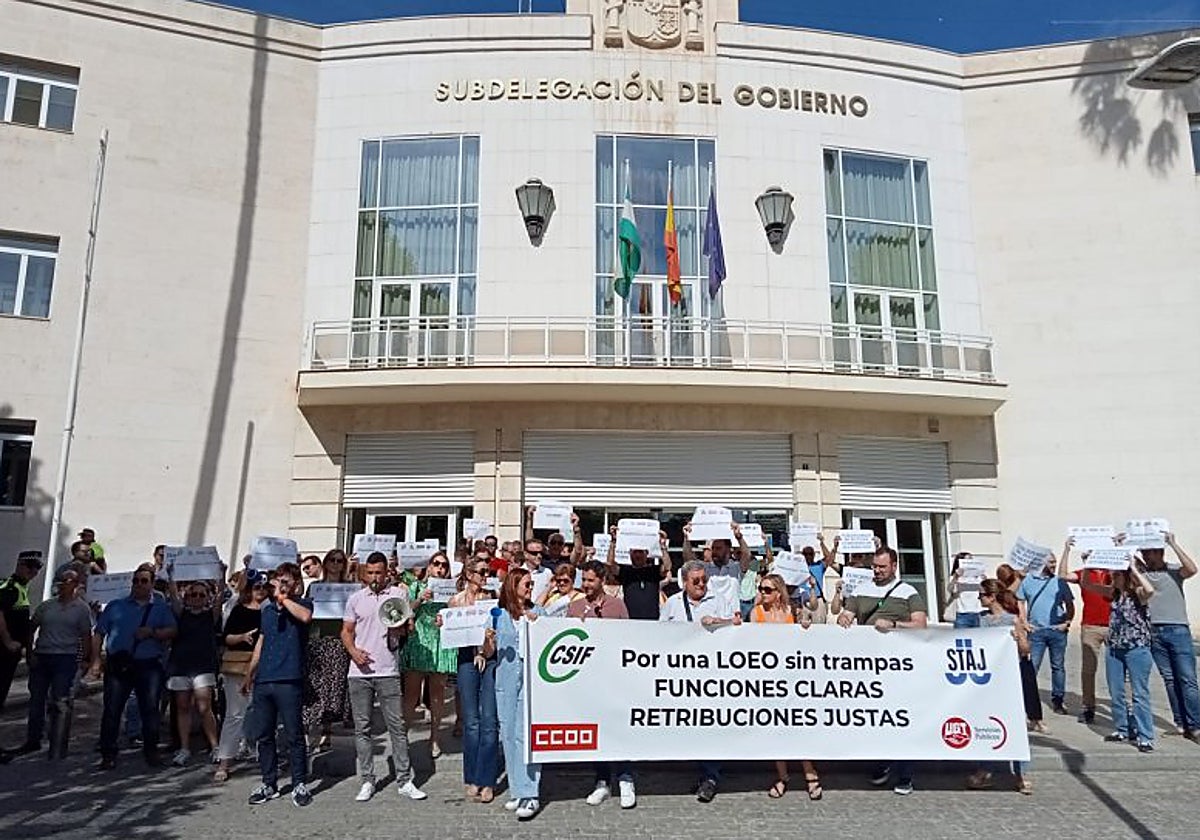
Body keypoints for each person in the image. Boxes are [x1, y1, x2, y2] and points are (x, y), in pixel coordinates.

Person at [836, 545, 927, 795]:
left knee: (902, 719)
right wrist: (844, 618)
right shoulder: (861, 589)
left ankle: (905, 774)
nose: (876, 571)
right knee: (876, 718)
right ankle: (881, 764)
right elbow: (847, 613)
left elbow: (920, 624)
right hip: (870, 665)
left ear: (894, 566)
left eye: (882, 567)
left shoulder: (909, 592)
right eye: (874, 566)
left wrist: (895, 624)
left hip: (900, 666)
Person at [342, 552, 427, 803]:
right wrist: (354, 652)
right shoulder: (356, 598)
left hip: (388, 669)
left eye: (379, 572)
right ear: (364, 573)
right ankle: (367, 780)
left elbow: (409, 628)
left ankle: (404, 779)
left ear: (386, 572)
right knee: (363, 728)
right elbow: (346, 632)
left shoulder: (398, 595)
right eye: (370, 573)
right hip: (359, 672)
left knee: (397, 727)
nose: (375, 577)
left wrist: (401, 628)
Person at [660, 560, 741, 802]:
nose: (701, 584)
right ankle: (701, 770)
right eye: (696, 581)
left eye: (704, 580)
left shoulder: (718, 600)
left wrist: (717, 623)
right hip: (682, 674)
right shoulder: (673, 603)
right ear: (684, 582)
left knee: (711, 725)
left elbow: (735, 628)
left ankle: (711, 776)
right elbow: (660, 633)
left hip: (712, 674)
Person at [243, 562, 314, 807]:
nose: (280, 585)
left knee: (294, 735)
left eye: (286, 581)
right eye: (278, 580)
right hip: (265, 679)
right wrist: (249, 673)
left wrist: (284, 599)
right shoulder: (267, 611)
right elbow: (261, 642)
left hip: (289, 679)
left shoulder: (302, 604)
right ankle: (269, 782)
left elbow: (305, 617)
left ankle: (299, 783)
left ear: (295, 584)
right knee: (265, 735)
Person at [92, 566, 177, 769]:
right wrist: (95, 659)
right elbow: (99, 633)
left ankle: (151, 751)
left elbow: (173, 631)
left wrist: (153, 633)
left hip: (148, 665)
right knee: (112, 709)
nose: (139, 584)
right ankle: (108, 753)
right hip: (118, 664)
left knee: (150, 710)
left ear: (151, 584)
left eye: (144, 581)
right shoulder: (115, 606)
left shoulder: (160, 608)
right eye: (136, 581)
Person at [5, 566, 92, 761]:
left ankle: (58, 743)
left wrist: (85, 660)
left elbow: (86, 635)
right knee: (36, 699)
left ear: (76, 586)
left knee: (60, 701)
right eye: (61, 581)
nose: (62, 585)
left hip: (65, 657)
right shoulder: (46, 606)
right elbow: (31, 627)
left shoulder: (81, 609)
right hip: (43, 655)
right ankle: (33, 739)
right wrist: (30, 651)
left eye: (67, 581)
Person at [568, 560, 635, 808]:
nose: (586, 584)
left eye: (590, 580)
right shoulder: (574, 607)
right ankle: (602, 780)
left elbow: (627, 639)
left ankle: (626, 777)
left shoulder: (617, 605)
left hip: (614, 677)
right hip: (589, 679)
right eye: (583, 580)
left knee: (619, 726)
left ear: (601, 581)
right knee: (598, 730)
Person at [752, 572, 822, 801]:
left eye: (767, 590)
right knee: (776, 729)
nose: (763, 593)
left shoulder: (792, 612)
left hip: (793, 677)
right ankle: (782, 776)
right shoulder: (757, 613)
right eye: (761, 589)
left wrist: (805, 626)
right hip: (769, 677)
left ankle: (810, 773)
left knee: (798, 726)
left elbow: (806, 636)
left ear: (779, 592)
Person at [1078, 557, 1157, 751]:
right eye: (1113, 574)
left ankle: (1145, 735)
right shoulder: (1113, 593)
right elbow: (1087, 584)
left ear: (1126, 576)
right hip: (1115, 647)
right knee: (1116, 691)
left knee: (1139, 693)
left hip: (1136, 648)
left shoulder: (1137, 593)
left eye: (1117, 574)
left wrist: (1133, 568)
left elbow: (1150, 590)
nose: (1113, 577)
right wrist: (1089, 564)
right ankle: (1122, 728)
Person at [969, 578, 1034, 793]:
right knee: (987, 723)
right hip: (988, 679)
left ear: (991, 596)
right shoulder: (980, 620)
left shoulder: (1011, 619)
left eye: (982, 595)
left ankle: (1021, 773)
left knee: (1015, 723)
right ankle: (985, 769)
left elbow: (1025, 650)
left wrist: (1018, 639)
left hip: (1010, 678)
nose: (979, 598)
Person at [446, 556, 499, 803]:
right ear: (468, 574)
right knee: (471, 722)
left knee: (489, 721)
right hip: (466, 659)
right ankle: (471, 776)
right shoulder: (455, 601)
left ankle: (487, 779)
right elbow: (452, 631)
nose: (485, 576)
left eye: (487, 572)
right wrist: (443, 624)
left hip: (490, 658)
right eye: (481, 572)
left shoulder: (492, 599)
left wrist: (485, 648)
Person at [1138, 532, 1199, 740]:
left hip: (1178, 630)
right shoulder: (1142, 574)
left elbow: (1192, 569)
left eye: (1148, 553)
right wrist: (1121, 546)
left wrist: (1174, 543)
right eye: (1143, 553)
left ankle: (1196, 724)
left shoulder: (1174, 570)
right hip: (1154, 631)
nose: (1145, 556)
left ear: (1159, 552)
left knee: (1188, 679)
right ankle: (1181, 723)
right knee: (1170, 680)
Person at [493, 567, 543, 820]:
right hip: (506, 679)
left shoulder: (538, 613)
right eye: (526, 584)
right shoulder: (498, 614)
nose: (530, 588)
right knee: (509, 734)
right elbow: (486, 647)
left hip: (531, 682)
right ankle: (517, 789)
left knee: (526, 736)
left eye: (532, 584)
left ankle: (530, 793)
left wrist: (538, 623)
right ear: (513, 586)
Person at [402, 551, 458, 759]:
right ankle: (403, 737)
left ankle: (435, 738)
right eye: (436, 564)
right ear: (429, 566)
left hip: (440, 643)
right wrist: (419, 600)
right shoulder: (416, 586)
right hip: (419, 642)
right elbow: (404, 611)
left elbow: (455, 614)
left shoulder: (450, 590)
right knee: (411, 695)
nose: (440, 568)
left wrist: (447, 617)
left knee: (437, 695)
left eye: (444, 565)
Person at [214, 569, 266, 783]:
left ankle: (261, 755)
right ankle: (225, 760)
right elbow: (226, 638)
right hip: (239, 666)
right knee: (234, 714)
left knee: (262, 713)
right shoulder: (239, 610)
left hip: (264, 665)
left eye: (265, 587)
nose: (261, 591)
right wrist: (243, 637)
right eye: (257, 587)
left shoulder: (271, 611)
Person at [165, 577, 222, 766]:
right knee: (182, 707)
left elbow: (220, 596)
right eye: (192, 594)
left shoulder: (211, 615)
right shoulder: (181, 613)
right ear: (186, 597)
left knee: (205, 707)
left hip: (203, 666)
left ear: (207, 597)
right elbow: (173, 595)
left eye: (201, 594)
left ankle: (215, 746)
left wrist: (222, 574)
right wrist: (171, 576)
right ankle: (184, 748)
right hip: (181, 665)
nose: (196, 597)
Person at [303, 549, 353, 752]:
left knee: (334, 686)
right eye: (331, 560)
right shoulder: (315, 587)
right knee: (313, 685)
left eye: (339, 561)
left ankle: (327, 731)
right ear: (325, 564)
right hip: (317, 640)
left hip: (338, 641)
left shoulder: (350, 588)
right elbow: (306, 611)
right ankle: (307, 731)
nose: (335, 564)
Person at [1058, 537, 1112, 723]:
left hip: (1113, 625)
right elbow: (1063, 575)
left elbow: (1129, 570)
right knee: (1088, 670)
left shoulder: (1112, 572)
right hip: (1090, 625)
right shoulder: (1083, 574)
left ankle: (1124, 706)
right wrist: (1066, 550)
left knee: (1119, 670)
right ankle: (1088, 706)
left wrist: (1117, 547)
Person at [1016, 552, 1075, 715]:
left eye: (1054, 562)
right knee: (1032, 666)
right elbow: (1020, 601)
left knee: (1058, 666)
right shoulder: (1028, 581)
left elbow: (1069, 603)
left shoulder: (1059, 582)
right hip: (1036, 631)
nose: (1054, 565)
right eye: (1050, 562)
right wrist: (1024, 621)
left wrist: (1067, 622)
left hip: (1057, 630)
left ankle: (1058, 700)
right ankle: (1029, 700)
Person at [0, 550, 42, 710]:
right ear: (20, 565)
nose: (33, 572)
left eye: (37, 568)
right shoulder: (9, 587)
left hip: (11, 653)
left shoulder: (22, 587)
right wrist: (8, 641)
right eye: (29, 567)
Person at [605, 527, 670, 620]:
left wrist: (663, 546)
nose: (637, 555)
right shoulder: (625, 570)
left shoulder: (653, 570)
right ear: (630, 553)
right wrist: (613, 542)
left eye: (640, 552)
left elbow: (667, 567)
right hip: (630, 621)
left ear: (647, 553)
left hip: (652, 621)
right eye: (635, 552)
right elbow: (610, 565)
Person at [947, 552, 984, 628]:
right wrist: (956, 577)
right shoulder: (955, 577)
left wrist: (984, 580)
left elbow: (985, 592)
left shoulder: (978, 577)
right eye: (967, 561)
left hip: (978, 613)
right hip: (962, 613)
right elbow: (951, 590)